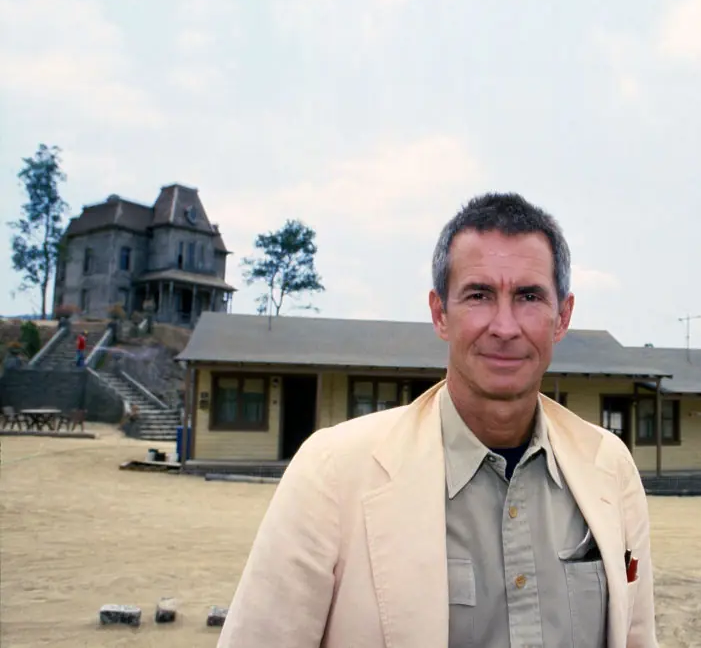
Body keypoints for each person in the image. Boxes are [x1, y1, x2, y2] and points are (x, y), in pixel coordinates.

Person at [217, 193, 658, 648]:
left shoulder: (610, 468)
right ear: (439, 314)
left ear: (561, 318)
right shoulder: (332, 473)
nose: (504, 327)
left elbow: (637, 636)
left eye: (528, 296)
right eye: (479, 295)